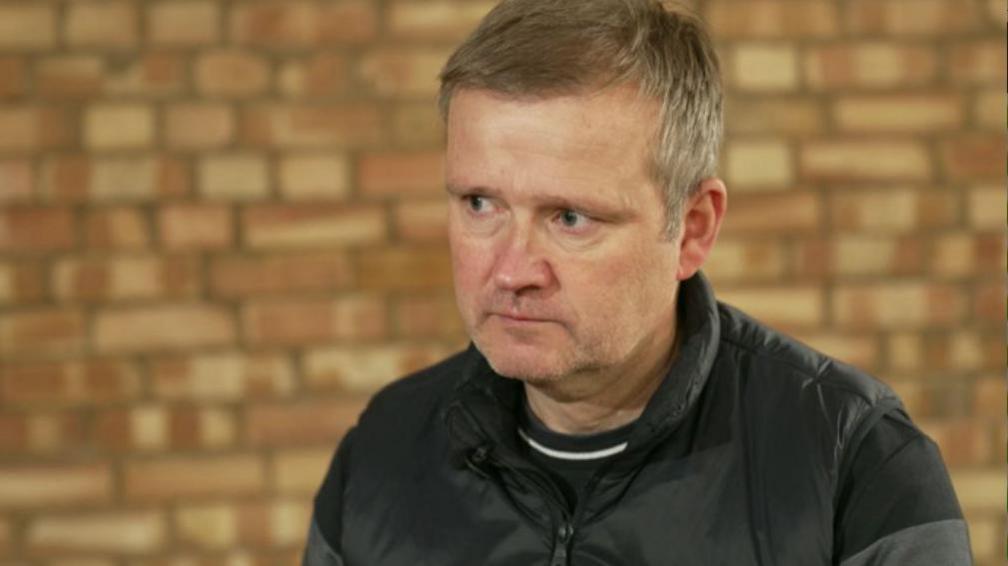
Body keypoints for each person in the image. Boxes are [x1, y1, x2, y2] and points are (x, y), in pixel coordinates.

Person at [303, 1, 971, 564]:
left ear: (693, 229)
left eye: (569, 218)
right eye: (481, 204)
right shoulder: (382, 456)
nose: (510, 271)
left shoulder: (853, 466)